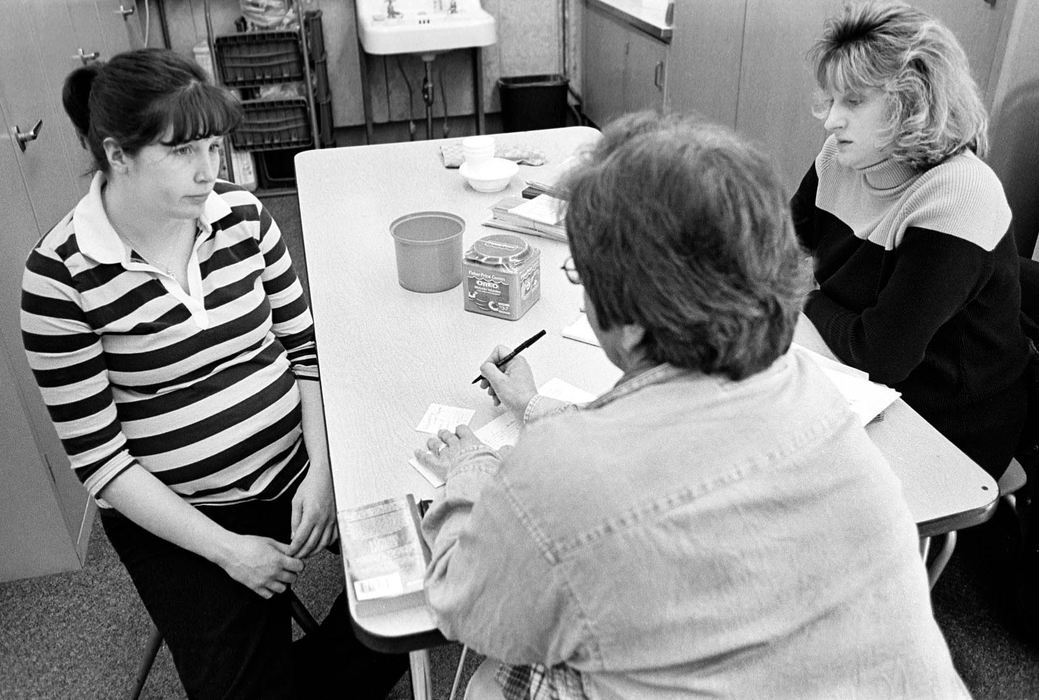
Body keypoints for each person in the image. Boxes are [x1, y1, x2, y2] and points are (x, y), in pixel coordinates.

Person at [415, 112, 968, 699]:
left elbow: (465, 603)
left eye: (582, 277)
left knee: (486, 686)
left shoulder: (563, 469)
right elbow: (672, 468)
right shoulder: (811, 388)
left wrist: (468, 471)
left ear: (625, 322)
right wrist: (535, 408)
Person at [20, 48, 406, 698]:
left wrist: (322, 470)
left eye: (214, 148)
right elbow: (102, 463)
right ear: (117, 155)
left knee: (424, 586)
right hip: (186, 514)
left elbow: (306, 352)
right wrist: (229, 550)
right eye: (182, 153)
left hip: (295, 471)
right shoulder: (60, 278)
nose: (210, 172)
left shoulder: (244, 217)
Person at [790, 1, 1031, 479]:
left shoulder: (960, 194)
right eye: (832, 100)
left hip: (945, 422)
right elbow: (775, 254)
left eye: (853, 102)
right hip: (850, 373)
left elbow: (883, 354)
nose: (830, 121)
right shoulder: (840, 157)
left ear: (912, 102)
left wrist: (806, 295)